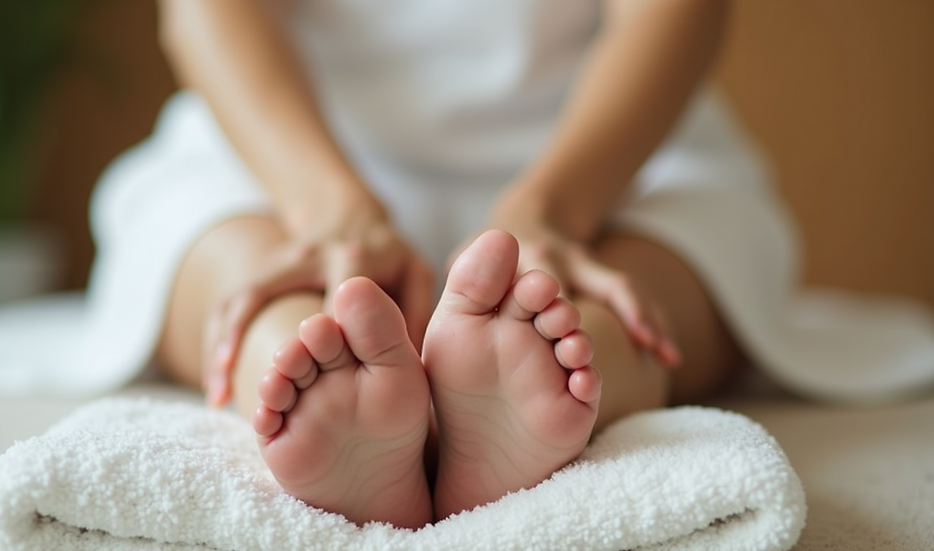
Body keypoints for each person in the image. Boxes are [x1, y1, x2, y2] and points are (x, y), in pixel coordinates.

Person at [90, 0, 766, 529]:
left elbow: (671, 10)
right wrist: (327, 205)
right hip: (290, 151)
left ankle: (321, 364)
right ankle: (575, 370)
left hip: (603, 153)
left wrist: (554, 208)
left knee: (686, 243)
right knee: (216, 237)